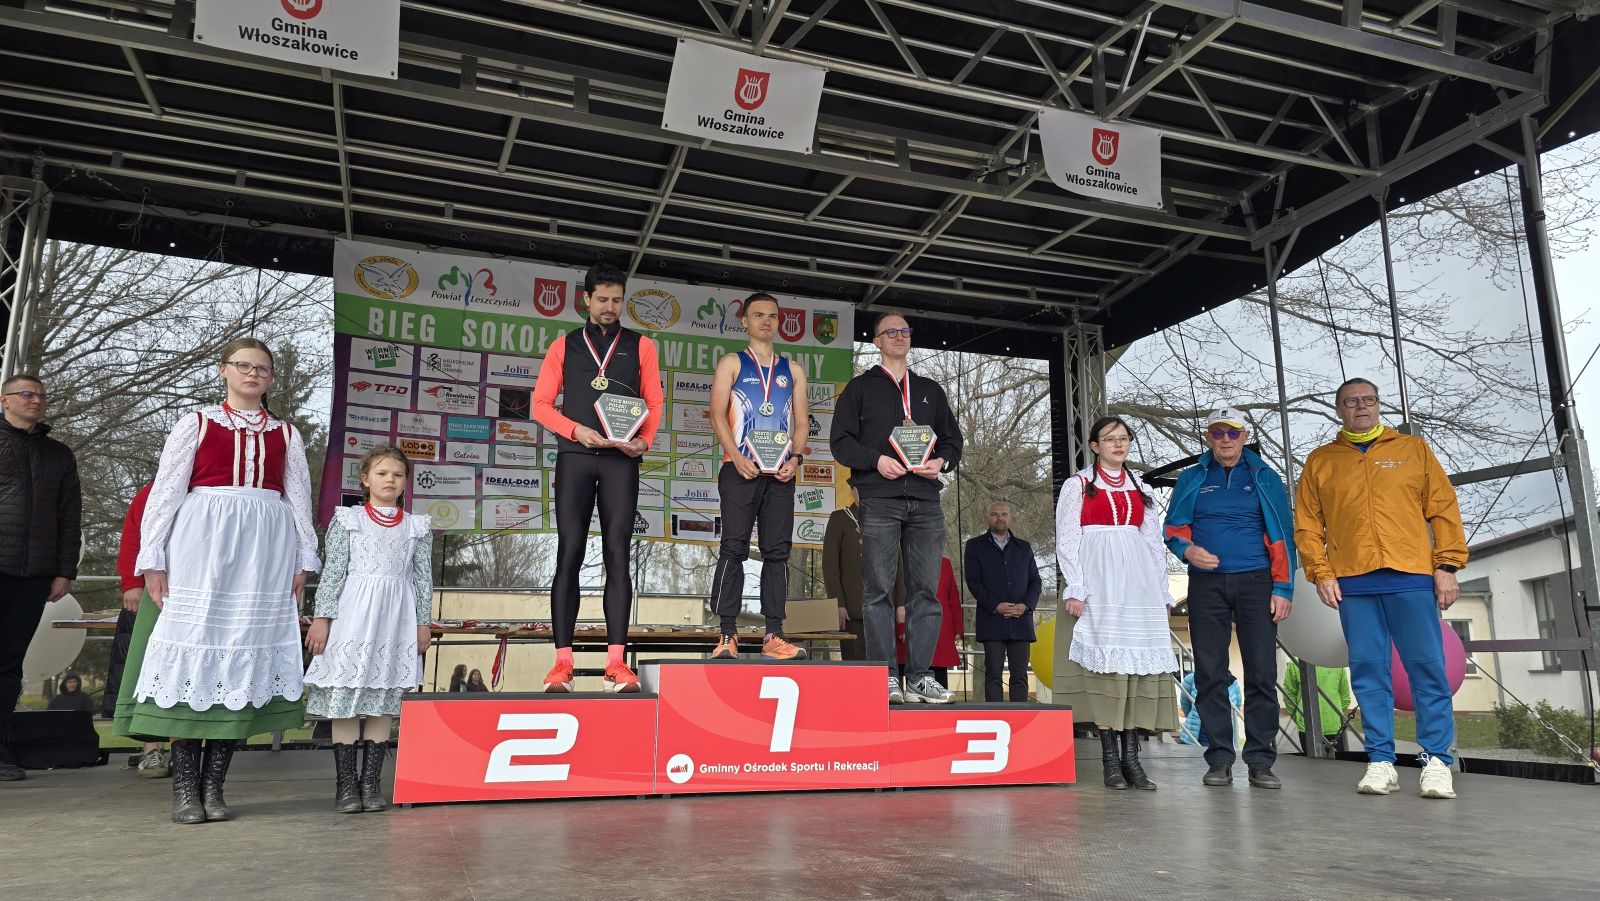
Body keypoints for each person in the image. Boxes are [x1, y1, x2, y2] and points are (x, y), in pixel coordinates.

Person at [128, 338, 321, 823]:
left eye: (262, 368)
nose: (252, 374)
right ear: (223, 371)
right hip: (202, 544)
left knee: (244, 655)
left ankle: (214, 787)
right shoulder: (195, 423)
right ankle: (185, 789)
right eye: (243, 365)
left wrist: (304, 555)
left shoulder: (286, 434)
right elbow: (166, 493)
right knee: (196, 651)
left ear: (271, 378)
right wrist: (152, 559)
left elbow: (299, 497)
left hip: (264, 550)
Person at [1295, 376, 1467, 800]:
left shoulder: (1413, 450)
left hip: (1410, 575)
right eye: (1351, 401)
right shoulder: (1321, 461)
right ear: (1338, 409)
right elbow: (1307, 524)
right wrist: (1321, 572)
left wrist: (1447, 565)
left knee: (1427, 667)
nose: (1361, 406)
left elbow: (1444, 508)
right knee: (1369, 671)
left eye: (1368, 399)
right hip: (1353, 581)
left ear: (1378, 405)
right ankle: (1380, 762)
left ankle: (1436, 762)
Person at [531, 263, 664, 694]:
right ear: (586, 299)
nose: (610, 307)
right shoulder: (564, 345)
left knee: (617, 554)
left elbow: (654, 401)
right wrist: (575, 430)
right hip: (575, 456)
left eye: (617, 300)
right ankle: (562, 664)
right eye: (602, 299)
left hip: (620, 461)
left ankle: (615, 664)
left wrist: (644, 440)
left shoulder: (641, 345)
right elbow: (540, 404)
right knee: (569, 551)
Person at [830, 311, 963, 704]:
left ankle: (919, 676)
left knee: (926, 592)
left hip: (925, 501)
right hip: (879, 499)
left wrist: (942, 462)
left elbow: (953, 441)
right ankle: (885, 676)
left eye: (905, 331)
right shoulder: (859, 389)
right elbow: (840, 442)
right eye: (890, 331)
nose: (899, 336)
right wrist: (876, 461)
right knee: (877, 592)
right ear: (876, 341)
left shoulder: (930, 390)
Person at [1162, 407, 1296, 789]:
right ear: (1208, 437)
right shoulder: (1192, 477)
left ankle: (1260, 760)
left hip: (1257, 582)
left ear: (1244, 436)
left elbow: (1283, 536)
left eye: (1232, 433)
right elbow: (1173, 528)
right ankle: (1219, 757)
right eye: (1218, 433)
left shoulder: (1265, 477)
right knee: (1210, 672)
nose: (1225, 439)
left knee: (1261, 672)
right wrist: (1187, 550)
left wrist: (1283, 588)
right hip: (1206, 584)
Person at [303, 446, 433, 814]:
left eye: (398, 474)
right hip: (353, 617)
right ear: (365, 479)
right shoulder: (349, 520)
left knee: (383, 698)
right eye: (382, 473)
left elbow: (423, 579)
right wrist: (323, 618)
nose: (390, 479)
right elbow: (333, 572)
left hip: (396, 620)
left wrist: (423, 622)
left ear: (405, 482)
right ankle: (346, 785)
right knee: (347, 699)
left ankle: (371, 782)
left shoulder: (417, 527)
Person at [1055, 415, 1178, 791]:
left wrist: (1162, 591)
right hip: (1099, 581)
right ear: (1095, 446)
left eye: (1124, 438)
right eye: (1110, 439)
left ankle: (1132, 760)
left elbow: (1153, 543)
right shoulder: (1078, 485)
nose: (1119, 444)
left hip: (1137, 583)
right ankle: (1110, 760)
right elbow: (1067, 537)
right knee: (1106, 672)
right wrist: (1076, 586)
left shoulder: (1140, 486)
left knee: (1135, 673)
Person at [706, 293, 809, 661]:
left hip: (779, 472)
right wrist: (735, 456)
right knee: (733, 547)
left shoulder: (792, 370)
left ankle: (774, 634)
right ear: (744, 321)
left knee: (777, 552)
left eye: (773, 316)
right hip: (740, 469)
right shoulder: (732, 363)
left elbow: (802, 421)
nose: (767, 321)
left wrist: (796, 458)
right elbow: (716, 414)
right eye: (759, 315)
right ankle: (726, 633)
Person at [0, 373, 81, 782]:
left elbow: (70, 516)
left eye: (42, 395)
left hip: (34, 573)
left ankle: (0, 749)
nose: (36, 400)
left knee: (9, 664)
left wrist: (65, 571)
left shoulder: (59, 455)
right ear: (4, 400)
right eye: (27, 394)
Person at [109, 482, 170, 780]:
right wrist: (131, 583)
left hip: (195, 593)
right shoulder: (154, 491)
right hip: (152, 593)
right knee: (147, 667)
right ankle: (151, 749)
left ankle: (191, 749)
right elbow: (133, 536)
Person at [964, 501, 1042, 703]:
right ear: (987, 518)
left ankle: (1020, 718)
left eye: (1004, 514)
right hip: (992, 621)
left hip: (1021, 621)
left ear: (1010, 517)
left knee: (1020, 676)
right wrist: (995, 606)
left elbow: (1035, 581)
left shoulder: (1024, 547)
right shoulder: (974, 546)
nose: (1000, 518)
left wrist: (1026, 606)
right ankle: (995, 717)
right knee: (993, 675)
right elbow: (973, 582)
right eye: (995, 514)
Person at [895, 556, 963, 687]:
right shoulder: (907, 561)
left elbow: (953, 597)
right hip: (913, 629)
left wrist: (957, 627)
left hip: (940, 631)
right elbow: (899, 595)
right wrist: (901, 626)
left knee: (940, 681)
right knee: (914, 681)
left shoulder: (945, 563)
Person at [822, 484, 866, 660]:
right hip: (851, 609)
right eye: (859, 487)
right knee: (854, 664)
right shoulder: (840, 518)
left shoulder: (885, 519)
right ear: (852, 491)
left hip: (883, 610)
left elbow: (897, 564)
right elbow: (829, 565)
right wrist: (838, 603)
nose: (863, 492)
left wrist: (900, 603)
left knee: (883, 668)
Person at [1283, 659, 1354, 754]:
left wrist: (1299, 718)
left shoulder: (1296, 662)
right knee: (1338, 762)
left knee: (1311, 762)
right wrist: (1335, 715)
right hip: (1327, 726)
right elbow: (1289, 695)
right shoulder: (1335, 663)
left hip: (1313, 727)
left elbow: (1288, 695)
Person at [1177, 671, 1242, 747]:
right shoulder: (1191, 678)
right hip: (1197, 738)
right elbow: (1185, 703)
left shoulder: (1233, 682)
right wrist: (1195, 718)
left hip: (1224, 739)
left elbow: (1236, 707)